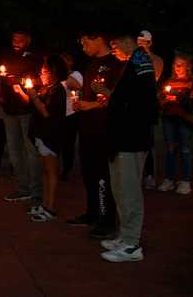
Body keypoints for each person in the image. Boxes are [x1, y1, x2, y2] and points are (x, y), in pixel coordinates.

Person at [100, 31, 158, 262]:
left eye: (115, 44)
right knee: (120, 189)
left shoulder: (141, 64)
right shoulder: (132, 64)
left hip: (132, 139)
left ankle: (132, 245)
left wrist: (112, 99)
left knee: (130, 191)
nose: (113, 49)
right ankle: (125, 236)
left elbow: (138, 103)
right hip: (121, 138)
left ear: (127, 41)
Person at [67, 29, 124, 239]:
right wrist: (80, 100)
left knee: (102, 176)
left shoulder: (116, 63)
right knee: (89, 172)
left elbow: (115, 98)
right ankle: (92, 213)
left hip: (104, 128)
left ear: (99, 39)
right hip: (87, 127)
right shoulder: (90, 64)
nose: (83, 48)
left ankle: (106, 220)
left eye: (85, 43)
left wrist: (90, 105)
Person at [0, 30, 42, 206]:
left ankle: (36, 190)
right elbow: (0, 77)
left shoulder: (34, 57)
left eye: (20, 40)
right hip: (8, 109)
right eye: (14, 39)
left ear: (28, 40)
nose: (16, 42)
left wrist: (19, 81)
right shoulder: (7, 55)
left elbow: (37, 79)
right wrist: (0, 94)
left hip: (26, 110)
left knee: (31, 151)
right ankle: (23, 188)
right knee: (14, 151)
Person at [20, 55, 68, 222]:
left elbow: (47, 113)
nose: (41, 73)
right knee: (45, 171)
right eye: (41, 70)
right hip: (41, 134)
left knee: (51, 171)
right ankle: (44, 204)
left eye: (45, 71)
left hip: (51, 136)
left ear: (55, 72)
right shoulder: (47, 88)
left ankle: (50, 207)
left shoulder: (58, 91)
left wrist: (34, 96)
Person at [157, 51, 193, 195]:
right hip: (169, 118)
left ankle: (185, 181)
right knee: (170, 148)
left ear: (188, 66)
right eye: (175, 64)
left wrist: (179, 97)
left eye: (180, 65)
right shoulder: (169, 81)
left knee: (185, 149)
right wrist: (163, 100)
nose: (177, 67)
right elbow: (161, 99)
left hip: (184, 119)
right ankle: (169, 179)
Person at [137, 30, 164, 190]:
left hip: (147, 104)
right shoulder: (132, 58)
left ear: (149, 43)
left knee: (147, 139)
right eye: (138, 43)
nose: (140, 46)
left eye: (143, 43)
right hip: (133, 105)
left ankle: (149, 175)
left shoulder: (156, 60)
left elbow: (150, 78)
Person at [60, 54, 83, 181]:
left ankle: (67, 169)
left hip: (71, 113)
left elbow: (77, 86)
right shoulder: (55, 76)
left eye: (64, 61)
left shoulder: (75, 75)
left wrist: (64, 74)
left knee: (68, 143)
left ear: (70, 62)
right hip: (58, 113)